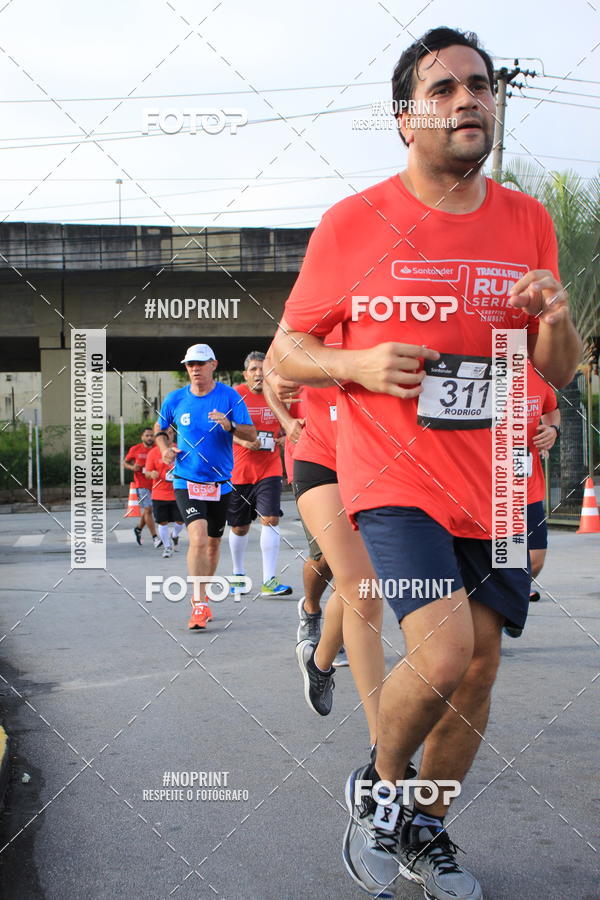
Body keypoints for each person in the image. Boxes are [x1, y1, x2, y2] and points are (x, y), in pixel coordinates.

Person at [273, 26, 581, 900]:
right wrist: (354, 365)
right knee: (443, 658)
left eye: (479, 86)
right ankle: (376, 785)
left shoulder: (527, 220)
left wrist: (553, 316)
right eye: (443, 90)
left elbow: (553, 368)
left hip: (502, 485)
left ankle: (425, 831)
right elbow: (287, 349)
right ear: (405, 118)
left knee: (480, 670)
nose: (467, 100)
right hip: (396, 478)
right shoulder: (353, 223)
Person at [154, 344, 255, 630]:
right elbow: (161, 430)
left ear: (213, 364)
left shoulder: (229, 397)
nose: (194, 369)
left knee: (212, 544)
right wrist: (165, 449)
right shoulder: (175, 399)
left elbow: (251, 432)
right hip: (187, 479)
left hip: (220, 483)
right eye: (189, 365)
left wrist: (229, 425)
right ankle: (198, 603)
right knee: (197, 538)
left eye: (200, 363)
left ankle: (204, 597)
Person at [227, 352, 292, 597]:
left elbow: (290, 422)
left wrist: (286, 437)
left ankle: (269, 581)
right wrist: (243, 443)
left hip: (270, 468)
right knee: (240, 527)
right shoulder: (235, 395)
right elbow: (220, 429)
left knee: (271, 519)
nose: (258, 374)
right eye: (253, 369)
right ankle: (238, 574)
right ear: (246, 374)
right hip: (240, 470)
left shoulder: (277, 394)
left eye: (262, 369)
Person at [504, 361, 560, 636]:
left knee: (534, 559)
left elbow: (552, 411)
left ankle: (510, 597)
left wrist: (552, 432)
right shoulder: (482, 369)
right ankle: (505, 606)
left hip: (528, 483)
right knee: (507, 556)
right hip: (489, 485)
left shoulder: (537, 374)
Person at [144, 427, 184, 559]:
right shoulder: (153, 453)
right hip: (159, 493)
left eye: (171, 433)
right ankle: (167, 547)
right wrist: (151, 474)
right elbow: (147, 473)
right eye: (165, 433)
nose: (168, 435)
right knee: (162, 522)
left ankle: (175, 535)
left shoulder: (180, 449)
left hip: (178, 492)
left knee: (180, 521)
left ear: (174, 435)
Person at [124, 427, 161, 548]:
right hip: (141, 484)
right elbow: (125, 462)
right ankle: (155, 537)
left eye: (151, 435)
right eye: (147, 435)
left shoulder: (158, 449)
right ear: (142, 437)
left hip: (156, 484)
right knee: (148, 509)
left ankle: (138, 529)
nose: (149, 437)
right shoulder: (135, 449)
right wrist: (132, 467)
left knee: (148, 511)